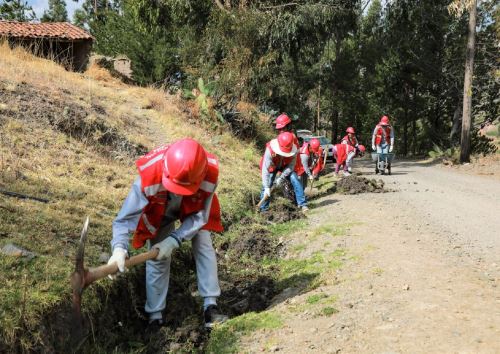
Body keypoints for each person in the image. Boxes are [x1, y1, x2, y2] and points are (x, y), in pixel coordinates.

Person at [107, 138, 228, 329]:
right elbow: (124, 219)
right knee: (157, 257)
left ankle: (210, 307)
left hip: (193, 209)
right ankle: (155, 316)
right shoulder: (149, 175)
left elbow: (201, 216)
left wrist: (176, 239)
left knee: (203, 243)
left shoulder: (209, 174)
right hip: (160, 209)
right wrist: (119, 248)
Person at [260, 132, 308, 212]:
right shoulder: (270, 149)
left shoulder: (295, 150)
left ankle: (302, 204)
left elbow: (291, 166)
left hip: (285, 166)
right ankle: (263, 209)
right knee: (269, 181)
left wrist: (281, 177)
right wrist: (266, 187)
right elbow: (265, 170)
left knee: (294, 178)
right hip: (272, 166)